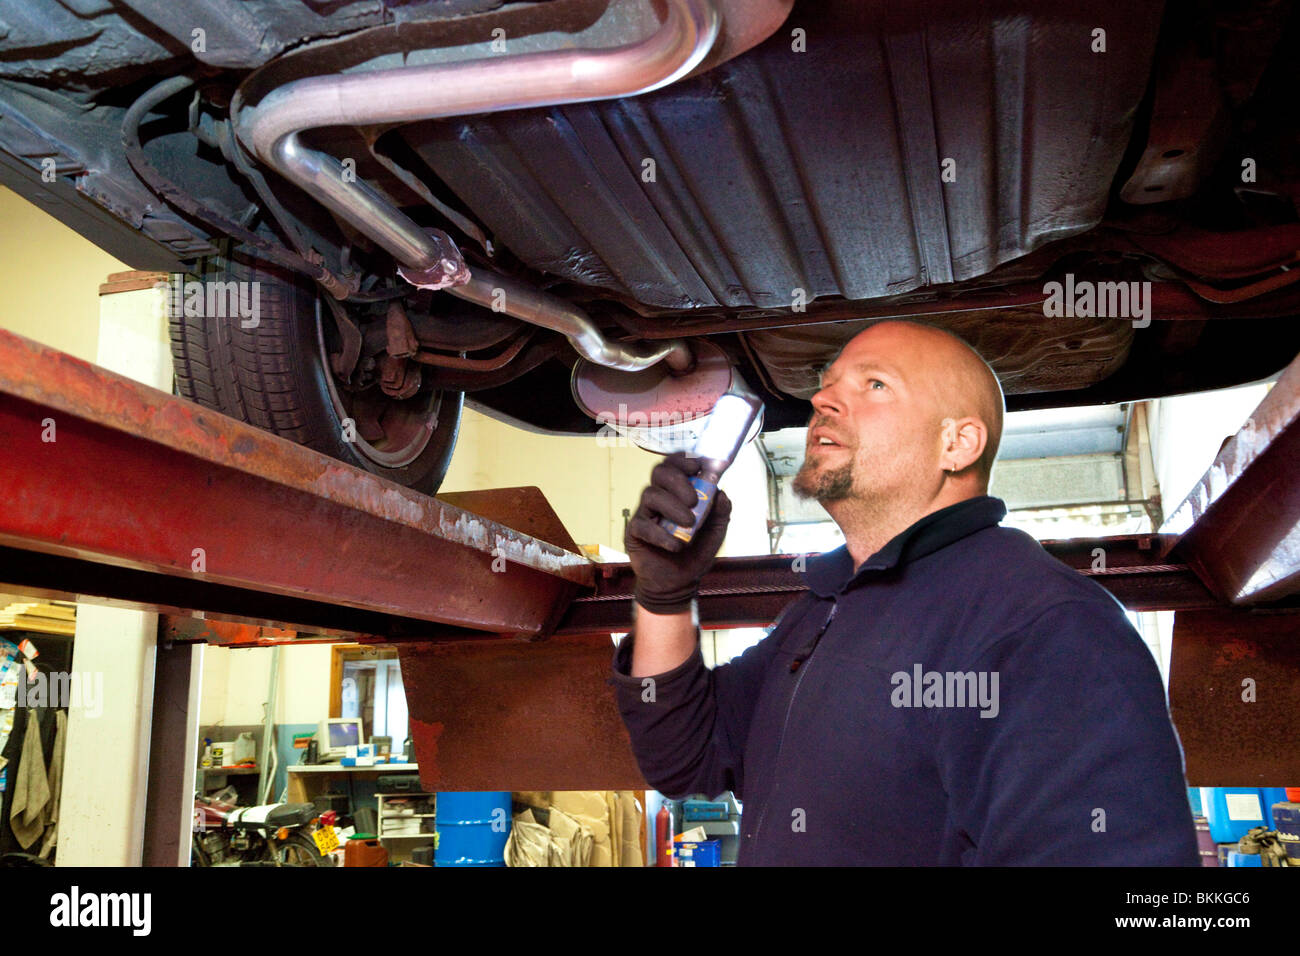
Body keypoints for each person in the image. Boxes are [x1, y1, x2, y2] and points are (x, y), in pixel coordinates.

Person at [610, 320, 1199, 865]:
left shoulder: (1048, 626)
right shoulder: (824, 609)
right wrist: (665, 595)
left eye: (875, 384)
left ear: (958, 444)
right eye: (827, 383)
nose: (822, 400)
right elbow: (686, 757)